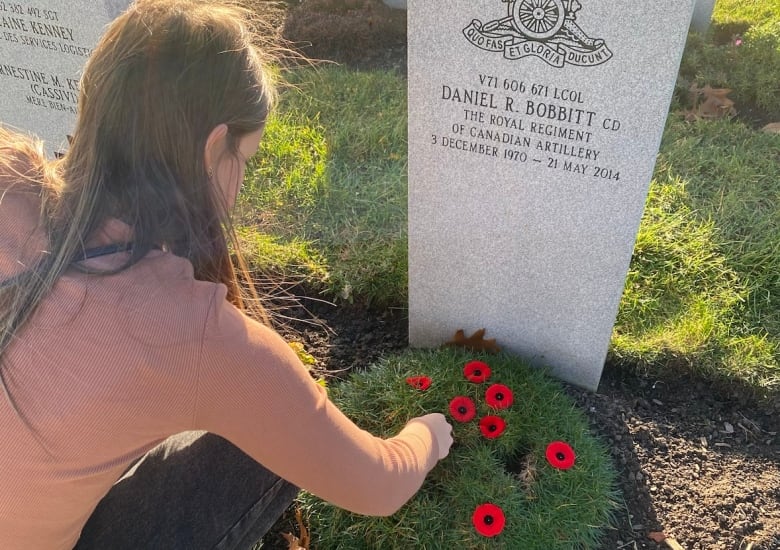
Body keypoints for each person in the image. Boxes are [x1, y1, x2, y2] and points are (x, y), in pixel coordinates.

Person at [0, 1, 454, 548]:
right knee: (268, 440)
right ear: (214, 146)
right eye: (247, 158)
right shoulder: (189, 335)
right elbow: (378, 486)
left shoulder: (8, 169)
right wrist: (426, 436)